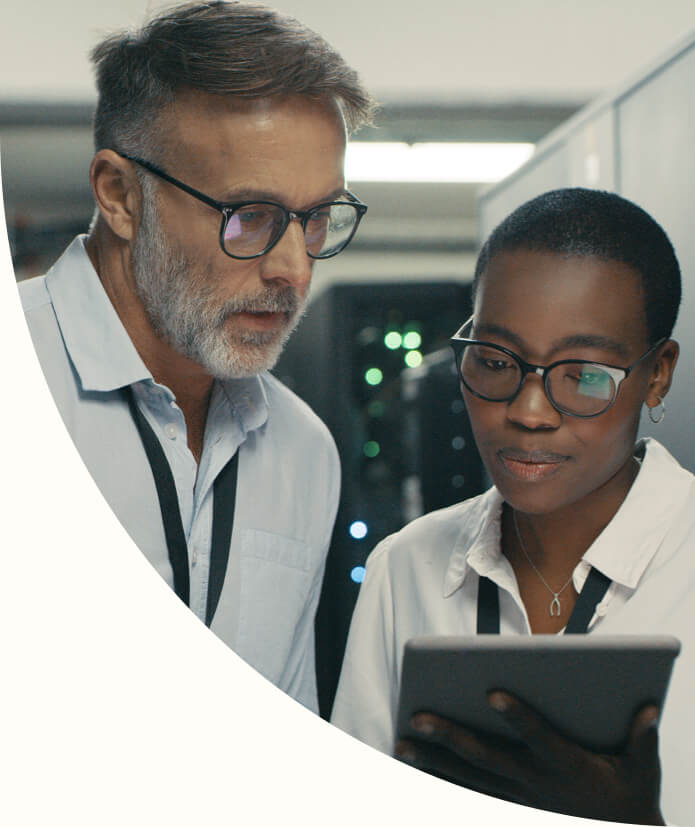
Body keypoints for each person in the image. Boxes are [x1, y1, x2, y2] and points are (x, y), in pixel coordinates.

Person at [18, 0, 374, 713]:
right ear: (120, 195)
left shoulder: (303, 451)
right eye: (250, 217)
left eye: (315, 219)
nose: (294, 270)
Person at [331, 188, 695, 824]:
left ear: (658, 373)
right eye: (496, 362)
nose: (527, 413)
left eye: (583, 375)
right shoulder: (406, 567)